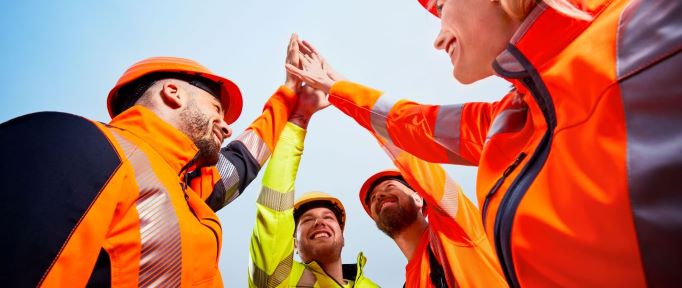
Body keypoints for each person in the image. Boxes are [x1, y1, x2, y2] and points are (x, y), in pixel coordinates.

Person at [285, 0, 682, 286]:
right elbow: (415, 124)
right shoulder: (515, 119)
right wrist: (333, 86)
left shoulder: (655, 17)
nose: (439, 39)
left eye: (441, 5)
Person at [0, 41, 300, 287]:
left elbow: (242, 160)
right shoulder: (77, 145)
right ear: (173, 92)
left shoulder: (187, 191)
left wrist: (291, 96)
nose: (226, 127)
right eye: (217, 109)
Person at [248, 75, 378, 287]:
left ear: (343, 238)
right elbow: (274, 211)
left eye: (328, 217)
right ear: (294, 244)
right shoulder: (280, 280)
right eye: (307, 220)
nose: (319, 221)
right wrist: (298, 121)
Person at [359, 142, 507, 288]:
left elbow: (421, 169)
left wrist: (378, 124)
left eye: (390, 186)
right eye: (373, 198)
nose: (379, 196)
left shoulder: (456, 228)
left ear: (419, 198)